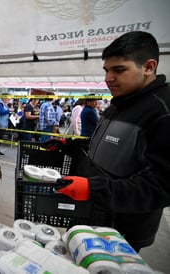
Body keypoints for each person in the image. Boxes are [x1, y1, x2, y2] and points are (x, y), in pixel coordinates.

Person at [56, 31, 170, 252]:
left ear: (148, 67)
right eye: (107, 70)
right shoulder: (119, 103)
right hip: (93, 212)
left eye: (119, 70)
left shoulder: (162, 111)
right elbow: (102, 147)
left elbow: (161, 185)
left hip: (122, 228)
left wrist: (94, 189)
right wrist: (70, 147)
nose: (108, 78)